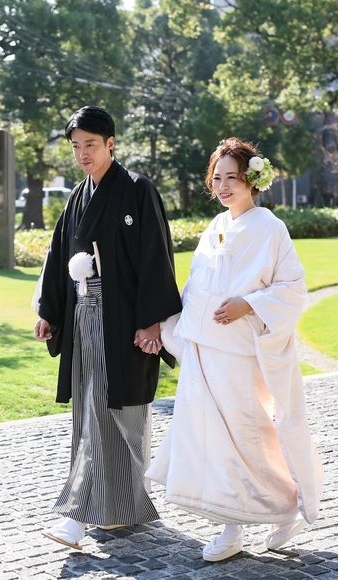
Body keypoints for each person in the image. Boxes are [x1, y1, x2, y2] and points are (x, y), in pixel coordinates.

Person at [146, 137, 323, 562]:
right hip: (205, 350)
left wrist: (250, 303)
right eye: (217, 178)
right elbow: (196, 287)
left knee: (248, 437)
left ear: (252, 181)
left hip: (241, 353)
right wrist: (166, 328)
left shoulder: (270, 227)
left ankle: (284, 505)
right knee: (212, 440)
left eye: (233, 178)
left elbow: (292, 287)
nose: (223, 186)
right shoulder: (215, 225)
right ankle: (232, 526)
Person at [33, 105, 182, 551]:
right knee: (91, 412)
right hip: (85, 316)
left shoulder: (137, 189)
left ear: (110, 143)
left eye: (91, 145)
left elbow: (156, 254)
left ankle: (85, 516)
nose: (83, 153)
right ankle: (117, 510)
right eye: (76, 146)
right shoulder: (78, 198)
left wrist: (151, 321)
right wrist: (50, 312)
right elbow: (58, 257)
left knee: (119, 412)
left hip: (125, 319)